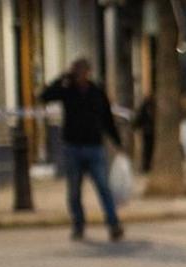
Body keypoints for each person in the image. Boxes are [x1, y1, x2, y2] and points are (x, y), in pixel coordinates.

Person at [41, 58, 125, 242]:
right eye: (76, 72)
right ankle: (78, 225)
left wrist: (117, 143)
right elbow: (45, 96)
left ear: (88, 72)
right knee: (74, 191)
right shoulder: (67, 91)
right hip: (73, 147)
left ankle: (113, 224)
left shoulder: (96, 92)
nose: (80, 75)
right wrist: (62, 78)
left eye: (82, 71)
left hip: (94, 147)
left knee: (103, 187)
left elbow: (107, 119)